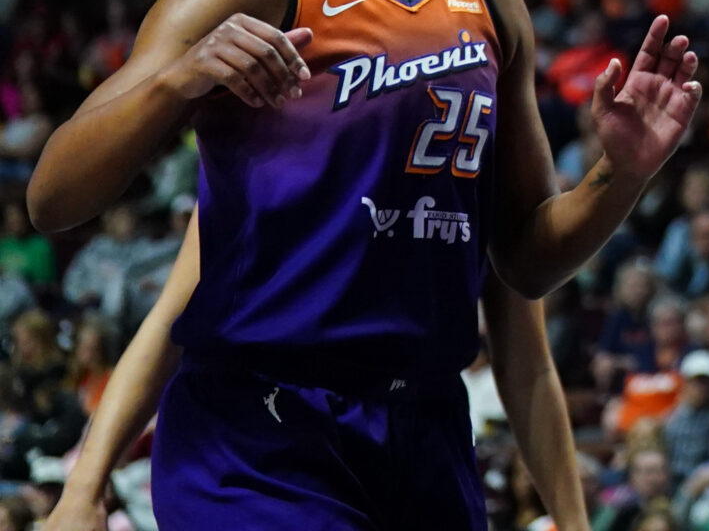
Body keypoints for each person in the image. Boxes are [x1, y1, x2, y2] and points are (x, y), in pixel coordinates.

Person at [27, 0, 700, 531]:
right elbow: (54, 198)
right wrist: (176, 81)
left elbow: (524, 266)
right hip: (259, 434)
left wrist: (621, 172)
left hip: (426, 427)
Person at [44, 212, 588, 530]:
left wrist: (574, 523)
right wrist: (83, 488)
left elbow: (529, 360)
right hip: (267, 421)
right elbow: (169, 316)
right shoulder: (283, 116)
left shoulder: (482, 114)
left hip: (423, 425)